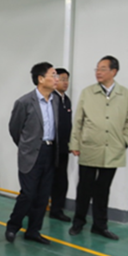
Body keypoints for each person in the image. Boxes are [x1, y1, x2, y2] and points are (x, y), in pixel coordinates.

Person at [68, 56, 128, 240]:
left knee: (103, 190)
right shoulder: (88, 93)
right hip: (89, 147)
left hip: (113, 150)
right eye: (97, 69)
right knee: (84, 188)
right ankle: (78, 222)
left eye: (103, 69)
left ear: (114, 72)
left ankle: (100, 226)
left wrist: (125, 141)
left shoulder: (125, 94)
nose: (98, 72)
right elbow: (78, 121)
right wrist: (75, 143)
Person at [6, 62, 59, 245]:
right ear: (41, 79)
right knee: (28, 194)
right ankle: (13, 226)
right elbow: (14, 129)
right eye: (53, 75)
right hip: (31, 154)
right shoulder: (24, 102)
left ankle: (33, 231)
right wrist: (26, 147)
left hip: (50, 151)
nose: (57, 79)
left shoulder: (56, 100)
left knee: (43, 196)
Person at [49, 68, 72, 222]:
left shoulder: (67, 100)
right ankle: (32, 208)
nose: (65, 82)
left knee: (61, 180)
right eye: (62, 79)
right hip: (51, 148)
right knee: (45, 180)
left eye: (67, 79)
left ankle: (57, 209)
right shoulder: (51, 98)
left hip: (64, 148)